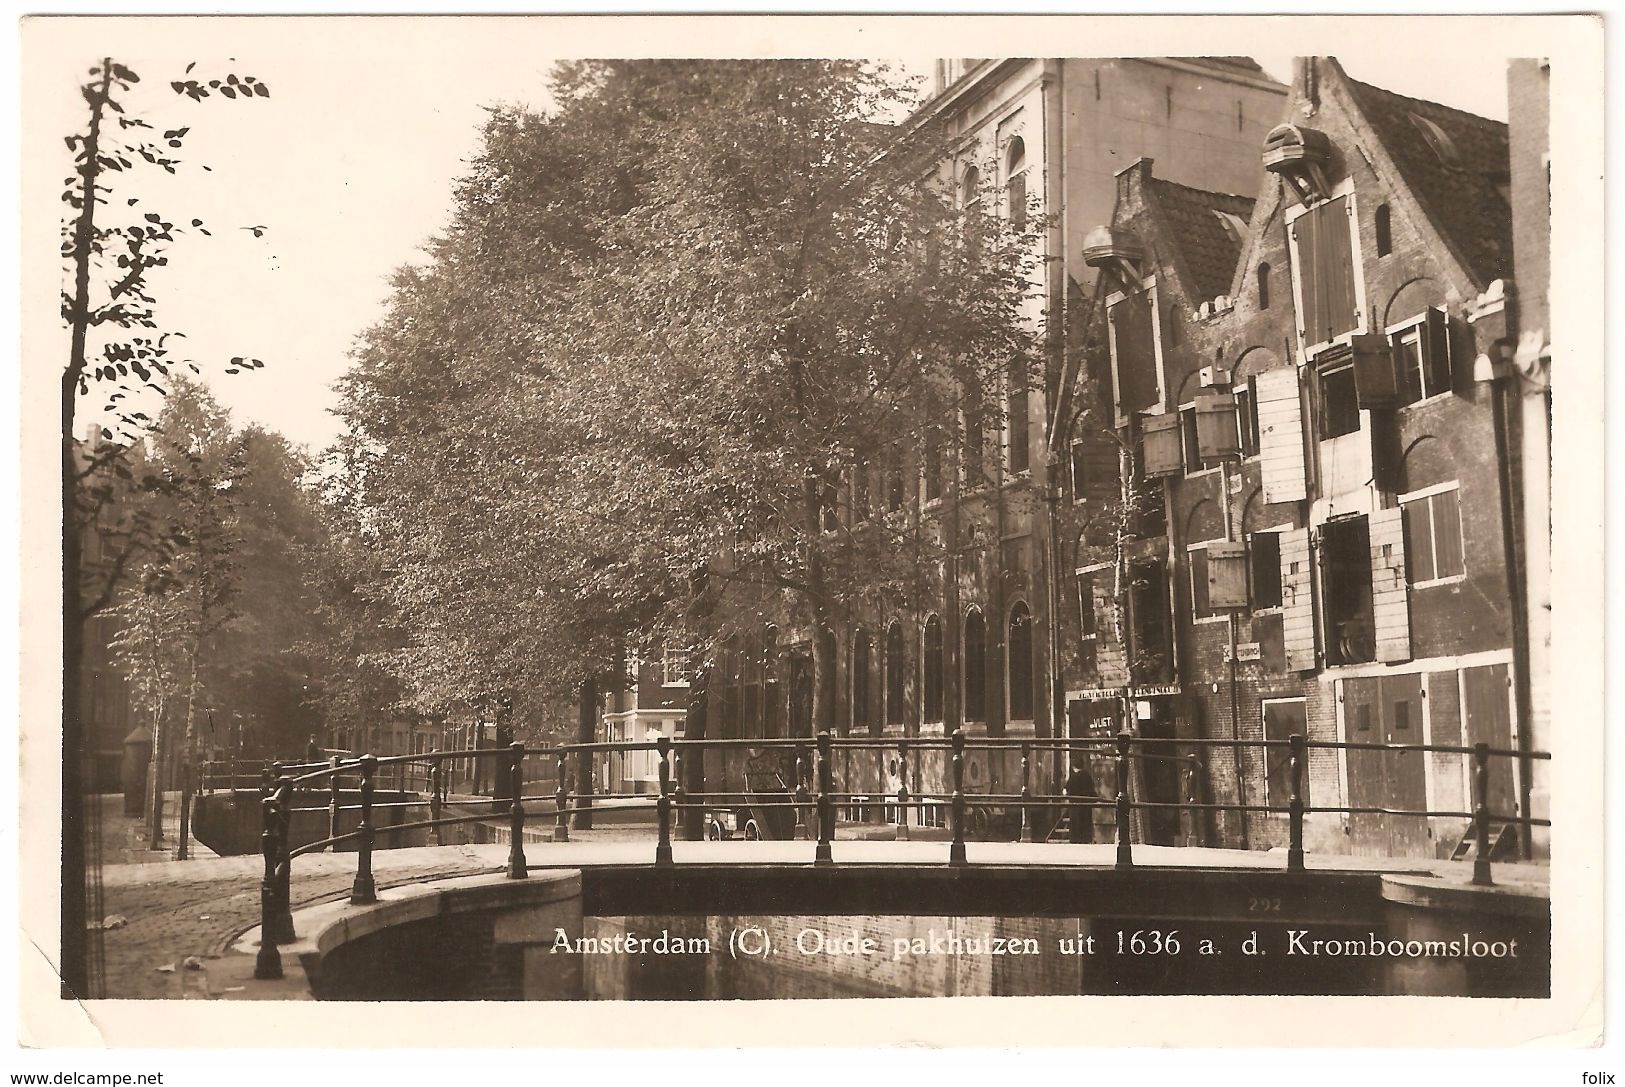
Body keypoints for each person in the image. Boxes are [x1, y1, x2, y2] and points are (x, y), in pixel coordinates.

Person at [1065, 752, 1097, 844]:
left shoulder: (1072, 778)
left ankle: (1075, 840)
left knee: (1075, 824)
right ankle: (1086, 839)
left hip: (1074, 807)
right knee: (1085, 824)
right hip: (1086, 807)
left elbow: (1066, 790)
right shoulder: (1087, 776)